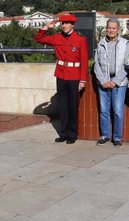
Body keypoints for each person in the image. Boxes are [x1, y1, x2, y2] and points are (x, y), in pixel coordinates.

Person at [35, 13, 89, 144]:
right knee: (63, 106)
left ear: (72, 25)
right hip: (61, 75)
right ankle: (63, 133)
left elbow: (84, 60)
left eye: (67, 23)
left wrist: (83, 80)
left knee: (72, 106)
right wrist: (46, 27)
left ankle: (72, 134)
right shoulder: (57, 37)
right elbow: (38, 38)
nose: (64, 25)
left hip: (74, 76)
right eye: (62, 23)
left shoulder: (80, 39)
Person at [93, 18, 129, 147]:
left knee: (118, 111)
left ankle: (117, 137)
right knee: (104, 111)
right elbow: (96, 64)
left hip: (119, 83)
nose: (111, 30)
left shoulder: (125, 43)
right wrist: (103, 81)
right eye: (109, 28)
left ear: (118, 30)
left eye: (113, 28)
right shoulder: (101, 43)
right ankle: (104, 135)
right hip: (104, 82)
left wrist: (115, 81)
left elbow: (127, 64)